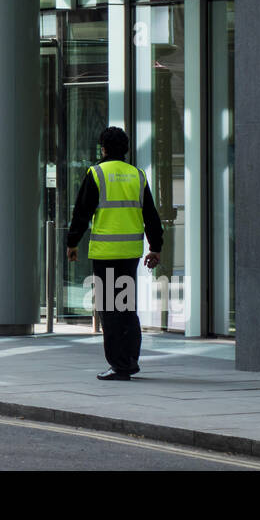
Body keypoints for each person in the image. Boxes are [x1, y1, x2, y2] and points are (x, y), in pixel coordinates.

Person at [66, 126, 164, 381]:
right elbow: (151, 215)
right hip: (131, 253)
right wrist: (155, 248)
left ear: (103, 148)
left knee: (110, 310)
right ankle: (130, 360)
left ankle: (119, 366)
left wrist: (72, 242)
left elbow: (82, 212)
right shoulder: (137, 175)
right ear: (126, 149)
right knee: (127, 307)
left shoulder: (97, 173)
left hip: (106, 253)